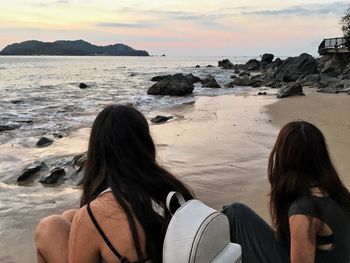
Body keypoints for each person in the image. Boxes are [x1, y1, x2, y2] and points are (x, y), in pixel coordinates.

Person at [35, 104, 193, 263]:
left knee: (49, 227)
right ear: (145, 144)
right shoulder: (171, 189)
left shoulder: (95, 213)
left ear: (96, 152)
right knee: (69, 216)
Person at [223, 121, 350, 263]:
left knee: (234, 213)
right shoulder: (337, 193)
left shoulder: (304, 211)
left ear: (284, 159)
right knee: (236, 212)